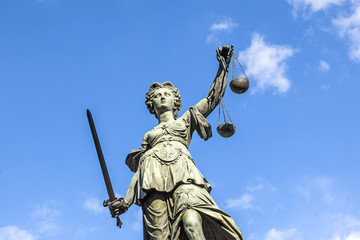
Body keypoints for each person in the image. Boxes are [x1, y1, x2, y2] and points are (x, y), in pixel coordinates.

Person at [109, 45, 243, 240]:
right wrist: (126, 202)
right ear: (151, 105)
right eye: (157, 96)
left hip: (186, 178)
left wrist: (223, 66)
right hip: (152, 183)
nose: (162, 97)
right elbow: (140, 171)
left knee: (192, 219)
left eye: (167, 94)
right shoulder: (149, 136)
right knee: (159, 236)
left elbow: (213, 98)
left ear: (175, 101)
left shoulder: (186, 120)